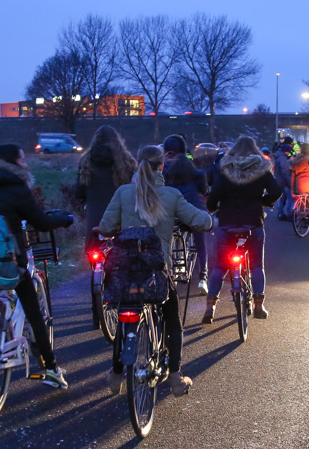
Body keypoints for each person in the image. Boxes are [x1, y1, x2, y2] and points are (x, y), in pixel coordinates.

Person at [0, 143, 74, 389]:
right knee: (34, 313)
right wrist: (64, 219)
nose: (26, 163)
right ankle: (51, 369)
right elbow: (41, 222)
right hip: (10, 263)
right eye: (22, 160)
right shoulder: (18, 188)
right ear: (11, 163)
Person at [100, 145, 212, 397]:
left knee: (125, 318)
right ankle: (175, 378)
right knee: (173, 320)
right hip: (158, 272)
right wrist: (207, 220)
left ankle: (115, 375)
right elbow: (200, 220)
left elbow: (106, 227)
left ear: (137, 164)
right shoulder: (171, 195)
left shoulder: (123, 192)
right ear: (162, 166)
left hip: (127, 272)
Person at [204, 135, 282, 323]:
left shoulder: (226, 169)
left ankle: (210, 306)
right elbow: (277, 191)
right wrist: (262, 202)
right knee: (256, 265)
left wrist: (213, 207)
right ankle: (258, 304)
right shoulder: (262, 170)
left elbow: (213, 196)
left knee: (219, 266)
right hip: (253, 223)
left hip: (227, 223)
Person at [76, 125, 137, 256]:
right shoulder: (126, 161)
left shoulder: (86, 161)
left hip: (95, 217)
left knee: (94, 252)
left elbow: (78, 192)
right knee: (122, 254)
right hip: (120, 218)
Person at [162, 134, 210, 292]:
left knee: (167, 239)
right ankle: (203, 278)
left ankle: (169, 274)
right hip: (195, 210)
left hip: (173, 211)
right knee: (200, 244)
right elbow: (203, 189)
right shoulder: (194, 170)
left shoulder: (165, 170)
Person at [272, 136, 295, 220]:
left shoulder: (278, 156)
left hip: (278, 180)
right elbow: (285, 171)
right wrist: (289, 182)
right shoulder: (283, 158)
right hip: (284, 181)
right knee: (289, 198)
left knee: (281, 198)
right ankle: (289, 214)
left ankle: (280, 213)